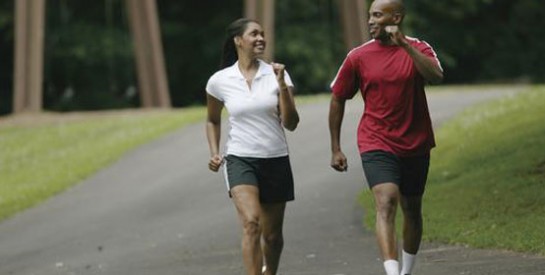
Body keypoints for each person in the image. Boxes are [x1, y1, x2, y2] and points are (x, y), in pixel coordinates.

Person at [328, 1, 443, 275]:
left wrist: (404, 45)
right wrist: (335, 147)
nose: (370, 21)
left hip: (416, 142)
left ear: (397, 18)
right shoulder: (358, 56)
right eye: (370, 15)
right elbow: (338, 97)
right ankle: (392, 273)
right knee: (386, 200)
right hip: (376, 140)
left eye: (377, 15)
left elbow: (436, 75)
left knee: (412, 209)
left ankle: (406, 271)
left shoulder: (419, 47)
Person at [205, 18, 299, 275]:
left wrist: (281, 85)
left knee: (272, 237)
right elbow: (212, 120)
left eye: (263, 34)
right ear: (238, 40)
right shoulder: (220, 80)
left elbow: (291, 123)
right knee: (251, 223)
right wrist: (214, 152)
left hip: (275, 158)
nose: (261, 38)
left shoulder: (277, 74)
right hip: (240, 159)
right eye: (254, 34)